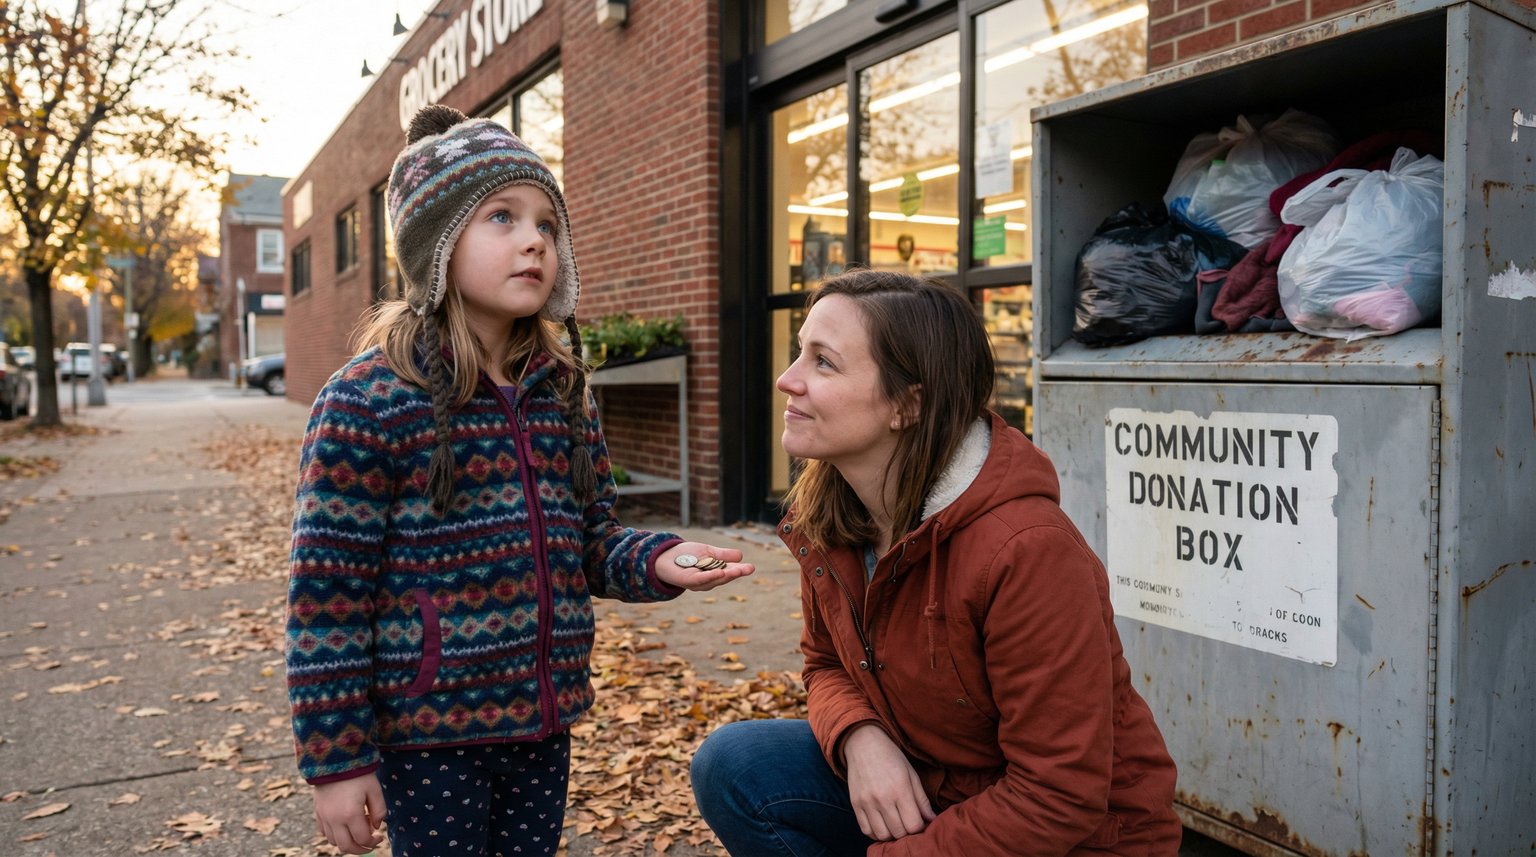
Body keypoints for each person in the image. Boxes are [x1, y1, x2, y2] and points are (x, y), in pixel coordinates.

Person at [285, 104, 753, 856]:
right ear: (436, 246)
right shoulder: (367, 400)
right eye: (502, 216)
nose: (535, 239)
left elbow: (592, 540)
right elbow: (326, 601)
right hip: (429, 736)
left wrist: (658, 557)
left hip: (543, 720)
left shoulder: (563, 390)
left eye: (547, 224)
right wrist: (337, 759)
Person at [691, 270, 1180, 855]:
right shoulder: (831, 516)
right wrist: (860, 737)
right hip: (935, 786)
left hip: (1078, 837)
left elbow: (1059, 794)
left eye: (823, 362)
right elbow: (825, 663)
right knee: (736, 766)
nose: (787, 379)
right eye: (801, 352)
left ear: (906, 404)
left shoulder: (1027, 551)